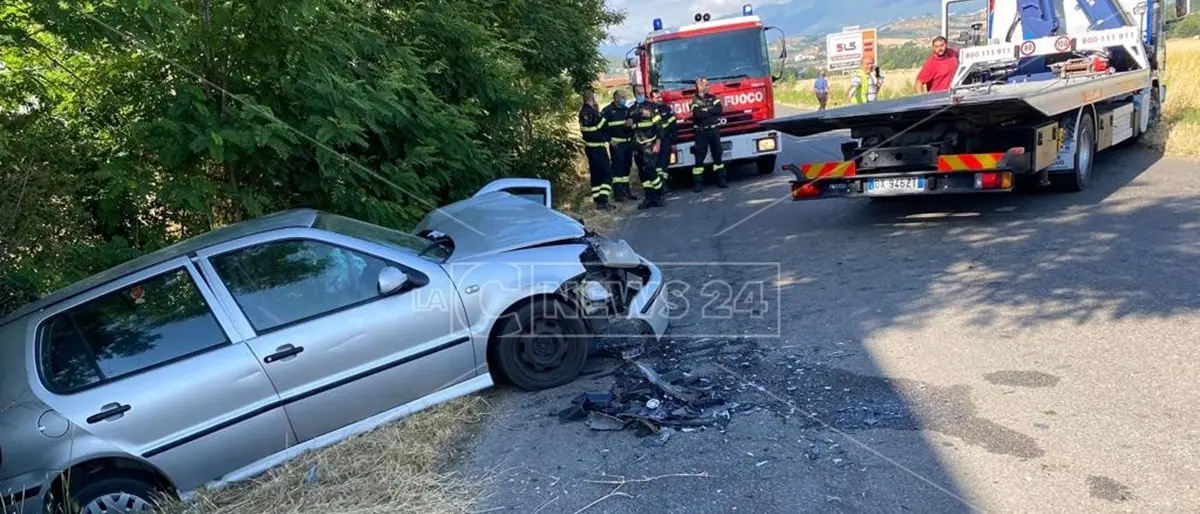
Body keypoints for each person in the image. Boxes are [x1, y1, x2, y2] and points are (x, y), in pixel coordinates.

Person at [689, 77, 727, 192]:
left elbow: (719, 109)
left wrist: (705, 110)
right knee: (699, 158)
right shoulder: (694, 100)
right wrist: (709, 110)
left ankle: (722, 181)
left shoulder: (713, 98)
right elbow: (697, 114)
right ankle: (698, 184)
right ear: (699, 86)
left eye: (708, 84)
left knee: (718, 156)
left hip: (713, 131)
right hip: (701, 132)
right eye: (705, 85)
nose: (708, 86)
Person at [601, 89, 638, 201]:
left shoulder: (626, 110)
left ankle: (627, 191)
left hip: (627, 143)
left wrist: (630, 125)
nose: (624, 99)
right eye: (622, 97)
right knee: (617, 169)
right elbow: (601, 128)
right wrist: (609, 140)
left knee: (627, 168)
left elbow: (629, 128)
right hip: (617, 145)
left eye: (625, 97)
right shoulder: (607, 111)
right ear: (616, 98)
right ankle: (618, 194)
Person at [578, 89, 612, 210]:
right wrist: (599, 113)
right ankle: (603, 199)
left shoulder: (581, 113)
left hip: (589, 148)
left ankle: (597, 200)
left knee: (596, 175)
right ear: (592, 98)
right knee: (607, 174)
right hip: (598, 147)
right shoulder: (593, 112)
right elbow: (605, 125)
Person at [630, 98, 666, 209]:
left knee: (650, 169)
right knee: (642, 173)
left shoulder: (652, 107)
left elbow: (659, 126)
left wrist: (658, 143)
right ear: (635, 94)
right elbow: (628, 128)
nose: (640, 95)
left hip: (650, 144)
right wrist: (627, 124)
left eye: (642, 93)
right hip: (637, 146)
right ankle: (649, 197)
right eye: (638, 93)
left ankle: (659, 194)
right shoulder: (631, 110)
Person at [650, 88, 676, 192]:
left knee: (665, 163)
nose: (660, 99)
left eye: (660, 97)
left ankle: (664, 184)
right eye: (657, 98)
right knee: (656, 164)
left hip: (665, 140)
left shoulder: (667, 109)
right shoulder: (650, 110)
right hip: (653, 141)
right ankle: (659, 185)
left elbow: (673, 127)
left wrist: (673, 142)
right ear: (652, 99)